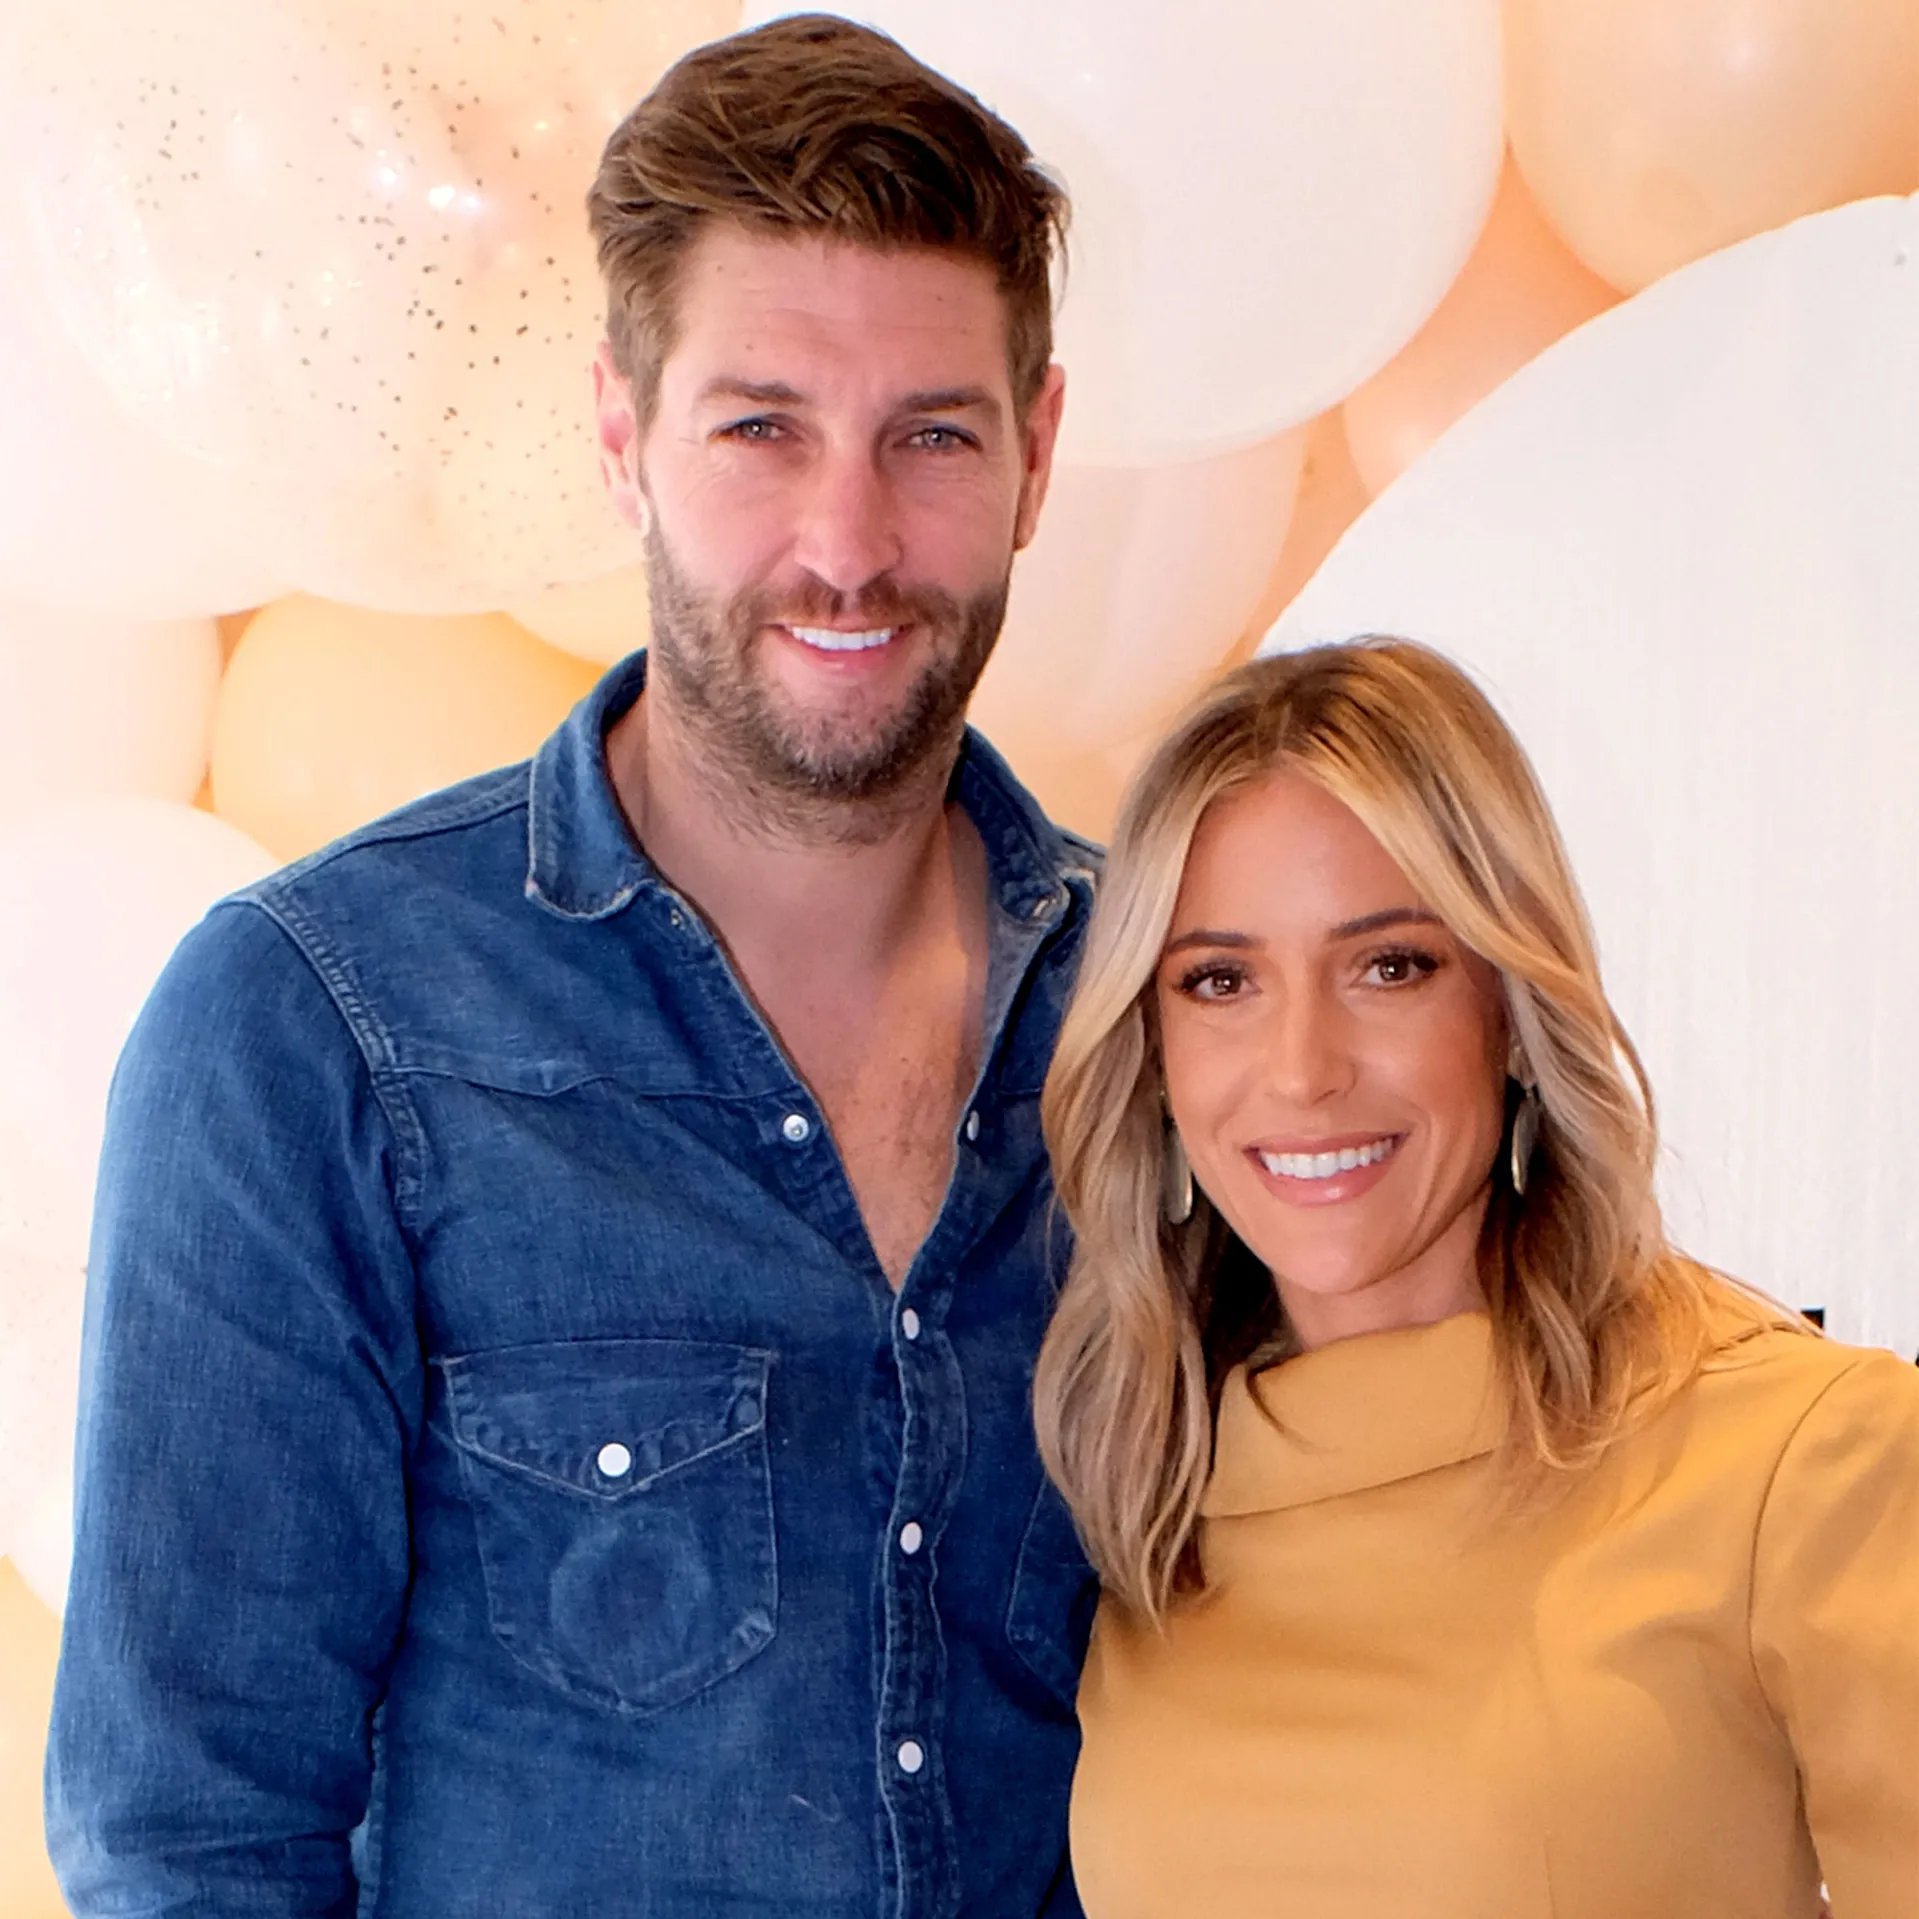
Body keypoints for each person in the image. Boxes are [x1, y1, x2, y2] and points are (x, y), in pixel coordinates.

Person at [47, 17, 1100, 1915]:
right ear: (622, 442)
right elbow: (192, 1840)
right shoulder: (314, 1029)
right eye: (759, 427)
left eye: (930, 435)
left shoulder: (1165, 1012)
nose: (845, 542)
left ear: (1035, 456)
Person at [1033, 638, 1919, 1918]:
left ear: (1509, 1008)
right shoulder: (1140, 1480)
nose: (1302, 1069)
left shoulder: (1797, 1454)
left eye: (1389, 965)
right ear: (1151, 1049)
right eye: (1219, 980)